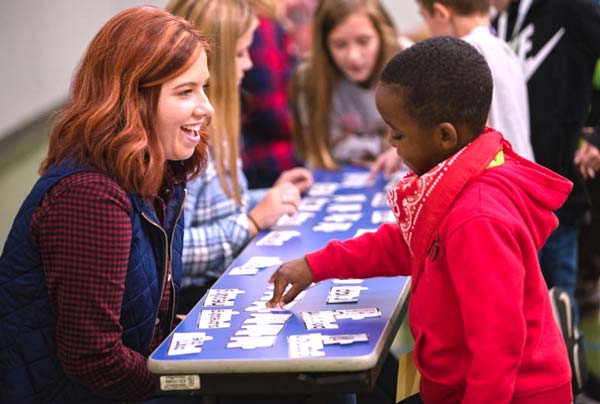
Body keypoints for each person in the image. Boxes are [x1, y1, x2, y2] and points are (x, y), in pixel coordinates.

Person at [268, 37, 573, 403]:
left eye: (398, 133)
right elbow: (405, 242)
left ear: (444, 136)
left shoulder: (477, 219)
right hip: (455, 387)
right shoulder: (459, 179)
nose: (390, 142)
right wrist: (315, 265)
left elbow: (498, 349)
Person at [0, 6, 212, 403]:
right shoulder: (91, 196)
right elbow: (94, 359)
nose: (207, 107)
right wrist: (193, 383)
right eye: (186, 92)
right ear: (133, 99)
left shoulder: (157, 175)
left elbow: (143, 323)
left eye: (204, 88)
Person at [166, 0, 313, 315]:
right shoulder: (184, 136)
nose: (248, 64)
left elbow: (220, 207)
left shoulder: (221, 121)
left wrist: (270, 197)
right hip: (196, 295)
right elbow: (170, 251)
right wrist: (251, 222)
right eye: (239, 54)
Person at [289, 0, 404, 174]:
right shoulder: (308, 78)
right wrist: (381, 145)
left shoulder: (408, 63)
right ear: (324, 46)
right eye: (340, 45)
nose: (353, 56)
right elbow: (320, 148)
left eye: (363, 41)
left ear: (382, 35)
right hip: (336, 174)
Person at [416, 0, 534, 161]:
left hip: (492, 176)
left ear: (441, 13)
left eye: (425, 18)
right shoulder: (504, 49)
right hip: (521, 173)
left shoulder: (461, 55)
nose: (428, 31)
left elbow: (466, 137)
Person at [240, 0, 306, 188]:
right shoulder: (262, 26)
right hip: (268, 163)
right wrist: (309, 132)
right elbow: (271, 112)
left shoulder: (268, 22)